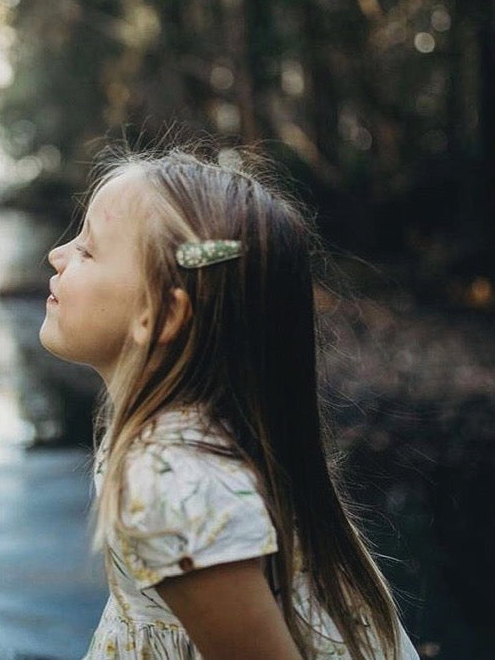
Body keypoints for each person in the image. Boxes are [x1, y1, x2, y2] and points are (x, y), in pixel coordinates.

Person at [39, 148, 419, 659]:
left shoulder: (167, 479)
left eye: (87, 251)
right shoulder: (223, 419)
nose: (57, 255)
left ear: (161, 314)